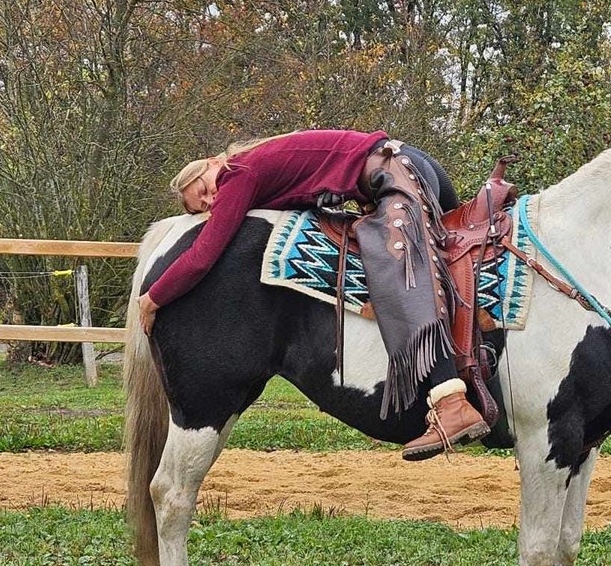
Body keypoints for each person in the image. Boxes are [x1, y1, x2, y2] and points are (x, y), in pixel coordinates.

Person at [138, 129, 488, 460]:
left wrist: (154, 298)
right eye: (202, 206)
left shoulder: (238, 172)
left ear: (213, 163)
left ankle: (451, 399)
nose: (212, 200)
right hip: (406, 164)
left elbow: (204, 255)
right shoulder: (260, 164)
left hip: (392, 172)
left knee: (403, 272)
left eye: (204, 190)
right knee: (445, 266)